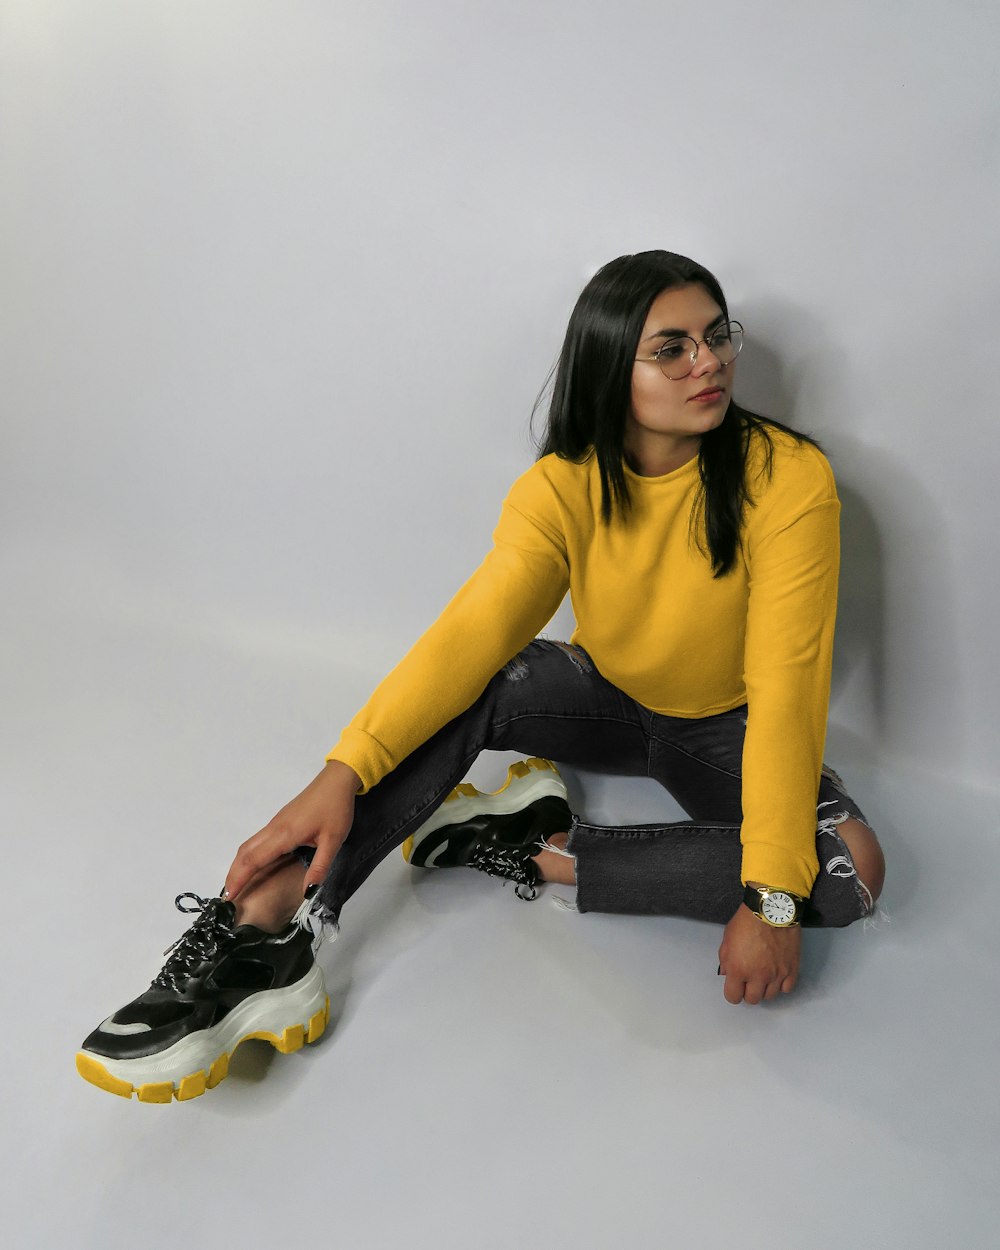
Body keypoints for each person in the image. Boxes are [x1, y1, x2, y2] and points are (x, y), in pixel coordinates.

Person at [77, 250, 886, 1104]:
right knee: (481, 680)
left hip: (729, 729)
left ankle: (532, 846)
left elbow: (790, 690)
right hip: (600, 702)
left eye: (717, 336)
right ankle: (270, 926)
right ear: (612, 366)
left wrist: (768, 902)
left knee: (847, 872)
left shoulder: (787, 479)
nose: (711, 362)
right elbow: (470, 635)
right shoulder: (562, 486)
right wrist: (341, 771)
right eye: (673, 348)